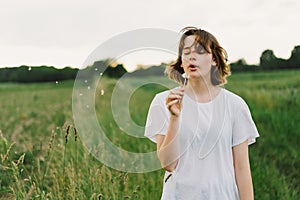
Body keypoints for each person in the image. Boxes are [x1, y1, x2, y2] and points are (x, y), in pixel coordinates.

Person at [144, 27, 259, 200]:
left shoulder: (235, 105)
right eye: (186, 52)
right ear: (181, 63)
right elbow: (168, 164)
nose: (192, 56)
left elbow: (242, 168)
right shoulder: (164, 102)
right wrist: (175, 118)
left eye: (200, 51)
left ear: (214, 59)